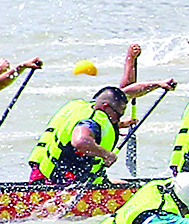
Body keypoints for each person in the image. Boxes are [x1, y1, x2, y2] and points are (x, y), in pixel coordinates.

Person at [27, 75, 175, 186]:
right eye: (118, 115)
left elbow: (127, 93)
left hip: (43, 173)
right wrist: (107, 154)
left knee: (129, 186)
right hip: (60, 183)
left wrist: (158, 84)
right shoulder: (90, 122)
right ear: (105, 107)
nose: (117, 119)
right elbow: (80, 141)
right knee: (130, 191)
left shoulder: (85, 106)